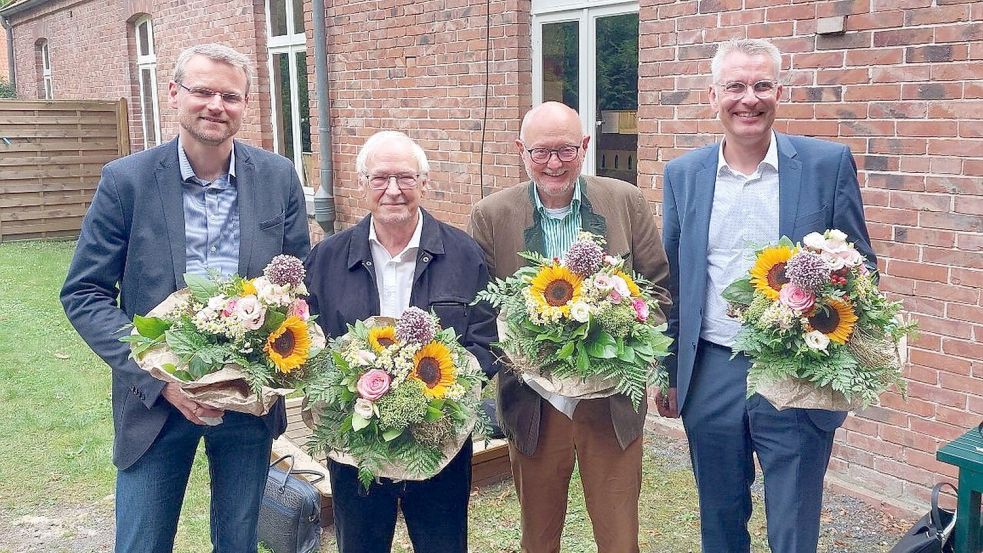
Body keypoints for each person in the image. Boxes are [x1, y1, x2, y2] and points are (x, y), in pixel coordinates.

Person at [60, 43, 310, 552]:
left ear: (245, 104)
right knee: (142, 541)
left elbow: (298, 287)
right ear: (173, 93)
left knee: (238, 542)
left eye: (230, 95)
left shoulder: (278, 177)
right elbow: (84, 292)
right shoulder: (125, 181)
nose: (216, 105)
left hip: (247, 399)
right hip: (154, 401)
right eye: (202, 91)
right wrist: (159, 377)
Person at [659, 38, 876, 553]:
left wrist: (831, 301)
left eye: (761, 85)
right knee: (720, 516)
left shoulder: (827, 165)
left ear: (779, 91)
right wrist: (667, 371)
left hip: (795, 370)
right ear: (713, 96)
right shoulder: (683, 175)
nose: (748, 99)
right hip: (710, 370)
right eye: (734, 86)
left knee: (794, 525)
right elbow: (673, 279)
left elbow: (862, 266)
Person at [469, 101, 671, 553]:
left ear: (584, 147)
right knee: (538, 539)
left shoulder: (625, 202)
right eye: (541, 152)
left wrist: (627, 337)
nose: (554, 164)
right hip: (533, 406)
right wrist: (522, 352)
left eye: (565, 150)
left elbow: (658, 289)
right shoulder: (491, 216)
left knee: (619, 539)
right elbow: (480, 313)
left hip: (610, 404)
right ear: (521, 150)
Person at [303, 130, 498, 553]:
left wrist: (446, 396)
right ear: (363, 185)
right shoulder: (327, 258)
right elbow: (310, 343)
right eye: (380, 179)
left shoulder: (464, 255)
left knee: (443, 545)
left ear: (424, 183)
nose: (393, 190)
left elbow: (486, 340)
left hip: (438, 441)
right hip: (355, 446)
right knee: (361, 545)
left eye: (406, 179)